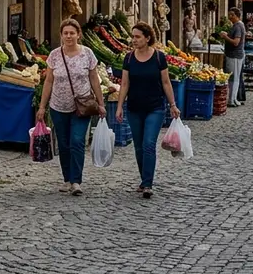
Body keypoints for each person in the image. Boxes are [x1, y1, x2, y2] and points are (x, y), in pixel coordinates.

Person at [37, 19, 106, 196]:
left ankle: (76, 181)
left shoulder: (87, 54)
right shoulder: (54, 55)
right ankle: (67, 178)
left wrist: (100, 103)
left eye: (72, 33)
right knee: (64, 143)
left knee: (77, 141)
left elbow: (94, 79)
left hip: (82, 106)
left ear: (78, 35)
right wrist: (42, 106)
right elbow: (49, 81)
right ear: (61, 35)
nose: (69, 36)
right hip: (58, 106)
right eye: (65, 33)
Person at [116, 22, 181, 199]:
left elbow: (166, 82)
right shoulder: (129, 58)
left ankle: (147, 184)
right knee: (138, 147)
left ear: (147, 38)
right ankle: (144, 178)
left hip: (155, 108)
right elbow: (125, 83)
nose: (134, 40)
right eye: (133, 36)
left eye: (137, 37)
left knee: (148, 144)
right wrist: (120, 106)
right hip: (134, 108)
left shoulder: (159, 57)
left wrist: (173, 104)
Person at [222, 8, 247, 107]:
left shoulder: (238, 26)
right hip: (234, 55)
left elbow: (236, 42)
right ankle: (234, 99)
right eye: (229, 14)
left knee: (234, 78)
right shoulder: (237, 25)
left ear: (237, 16)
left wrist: (225, 37)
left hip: (235, 55)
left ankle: (232, 99)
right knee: (234, 77)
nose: (230, 17)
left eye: (232, 15)